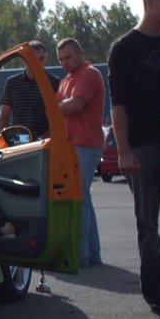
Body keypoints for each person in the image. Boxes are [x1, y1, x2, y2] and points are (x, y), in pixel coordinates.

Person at [108, 0, 160, 314]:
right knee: (147, 223)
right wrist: (123, 151)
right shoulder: (124, 48)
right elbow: (118, 105)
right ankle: (158, 291)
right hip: (142, 147)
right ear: (150, 2)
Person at [56, 38, 105, 267]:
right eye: (61, 59)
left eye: (68, 57)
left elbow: (75, 106)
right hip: (72, 144)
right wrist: (60, 106)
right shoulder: (66, 80)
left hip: (85, 143)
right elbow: (62, 107)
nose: (64, 62)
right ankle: (92, 254)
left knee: (79, 198)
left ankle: (80, 255)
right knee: (84, 198)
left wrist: (56, 106)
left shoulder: (89, 73)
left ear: (80, 52)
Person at [0, 40, 60, 139]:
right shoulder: (12, 83)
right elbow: (3, 116)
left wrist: (42, 139)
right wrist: (6, 139)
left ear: (46, 58)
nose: (38, 63)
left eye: (42, 58)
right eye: (33, 59)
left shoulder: (55, 83)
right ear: (23, 60)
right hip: (18, 141)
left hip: (46, 142)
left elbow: (59, 119)